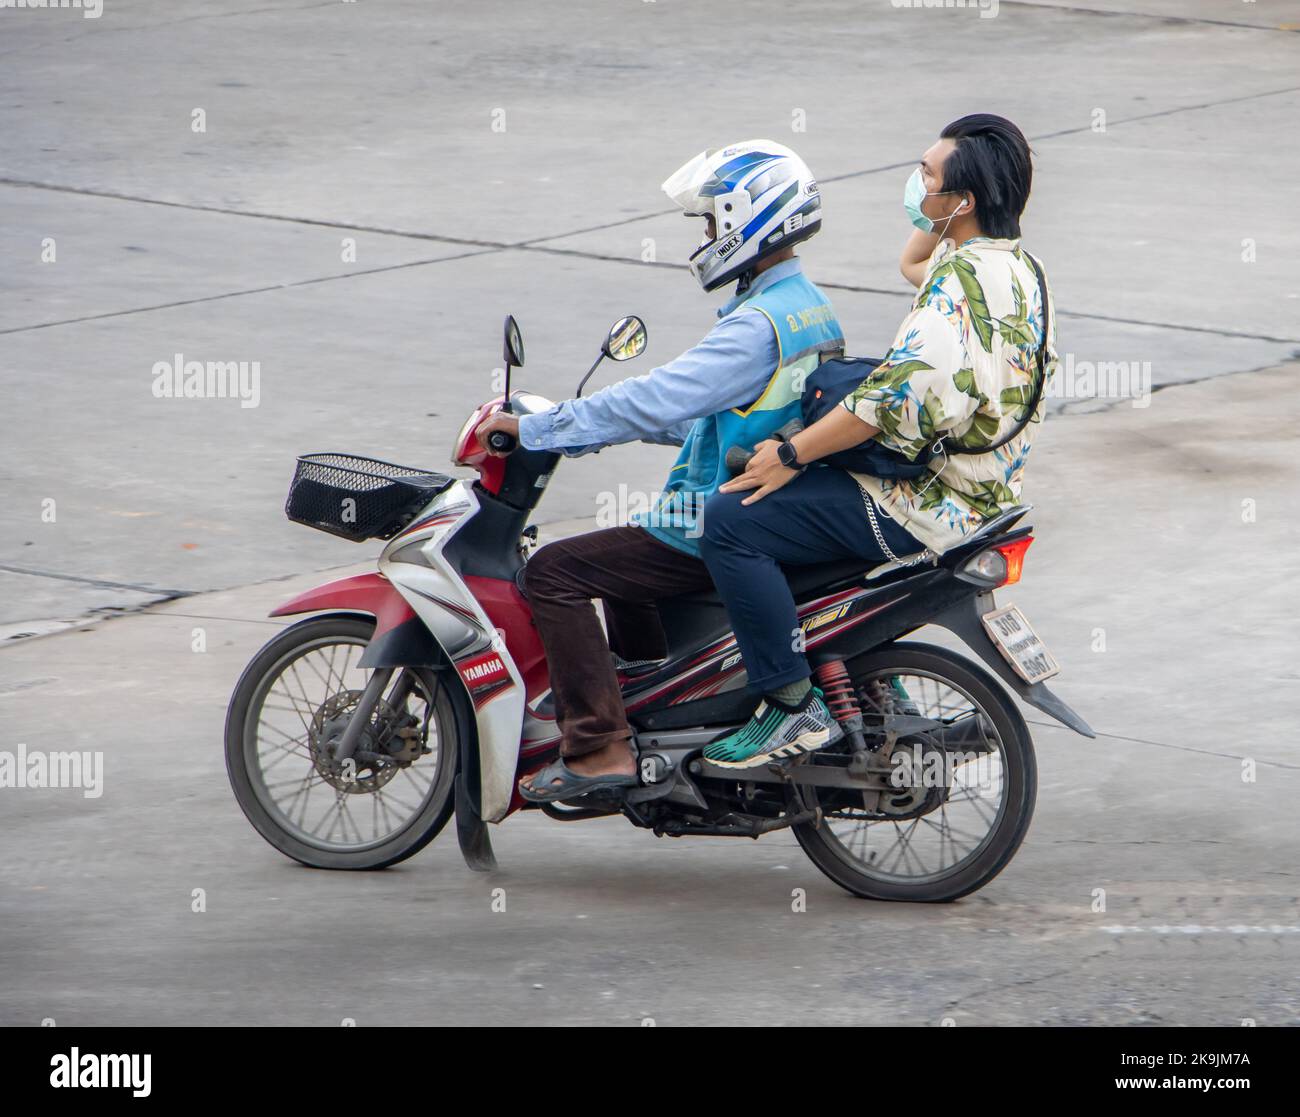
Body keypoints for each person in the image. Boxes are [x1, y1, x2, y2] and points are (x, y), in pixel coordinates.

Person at [475, 141, 848, 802]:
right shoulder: (805, 305)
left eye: (712, 223)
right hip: (764, 507)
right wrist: (580, 424)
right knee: (622, 562)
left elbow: (660, 395)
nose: (706, 238)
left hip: (720, 518)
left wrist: (541, 429)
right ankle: (655, 703)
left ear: (748, 219)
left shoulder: (756, 327)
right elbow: (703, 416)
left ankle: (598, 745)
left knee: (554, 571)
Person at [700, 113, 1054, 768]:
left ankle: (788, 705)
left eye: (926, 175)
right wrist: (937, 212)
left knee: (730, 517)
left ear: (964, 199)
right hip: (988, 492)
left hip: (924, 502)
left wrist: (788, 453)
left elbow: (880, 408)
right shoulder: (1018, 270)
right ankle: (857, 670)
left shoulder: (959, 285)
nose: (915, 182)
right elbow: (911, 259)